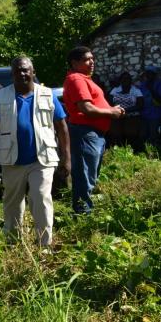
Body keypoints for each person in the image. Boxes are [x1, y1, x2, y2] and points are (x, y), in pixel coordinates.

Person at [0, 57, 70, 247]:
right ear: (12, 74)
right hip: (12, 160)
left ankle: (44, 246)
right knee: (12, 203)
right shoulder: (1, 96)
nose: (21, 74)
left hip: (42, 159)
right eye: (17, 71)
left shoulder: (47, 95)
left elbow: (62, 126)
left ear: (33, 72)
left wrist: (67, 159)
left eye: (25, 70)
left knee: (40, 198)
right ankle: (13, 244)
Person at [62, 46, 125, 215]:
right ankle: (83, 215)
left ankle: (85, 212)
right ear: (75, 63)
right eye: (87, 59)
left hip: (92, 134)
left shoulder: (84, 78)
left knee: (89, 175)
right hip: (85, 133)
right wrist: (111, 112)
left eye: (92, 59)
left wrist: (111, 109)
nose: (92, 62)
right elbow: (86, 108)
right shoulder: (77, 79)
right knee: (84, 177)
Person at [108, 72, 143, 148]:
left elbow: (140, 105)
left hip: (131, 116)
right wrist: (117, 110)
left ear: (131, 80)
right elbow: (109, 102)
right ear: (120, 80)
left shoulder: (136, 91)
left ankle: (131, 150)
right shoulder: (115, 90)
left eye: (128, 79)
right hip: (117, 115)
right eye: (124, 79)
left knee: (131, 134)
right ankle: (118, 151)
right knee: (116, 134)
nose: (126, 80)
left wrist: (124, 110)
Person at [136, 65, 161, 149]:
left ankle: (154, 153)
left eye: (150, 73)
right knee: (143, 135)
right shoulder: (142, 85)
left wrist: (151, 89)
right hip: (144, 115)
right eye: (147, 74)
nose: (148, 75)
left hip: (156, 115)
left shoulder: (160, 84)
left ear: (155, 74)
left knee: (154, 135)